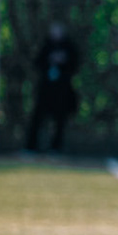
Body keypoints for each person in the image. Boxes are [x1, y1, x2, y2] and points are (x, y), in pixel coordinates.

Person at [25, 21, 80, 152]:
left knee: (60, 119)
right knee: (38, 117)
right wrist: (50, 60)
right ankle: (31, 147)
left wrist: (63, 61)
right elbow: (37, 63)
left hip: (62, 90)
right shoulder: (46, 46)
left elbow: (75, 65)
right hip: (45, 89)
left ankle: (56, 147)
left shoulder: (69, 47)